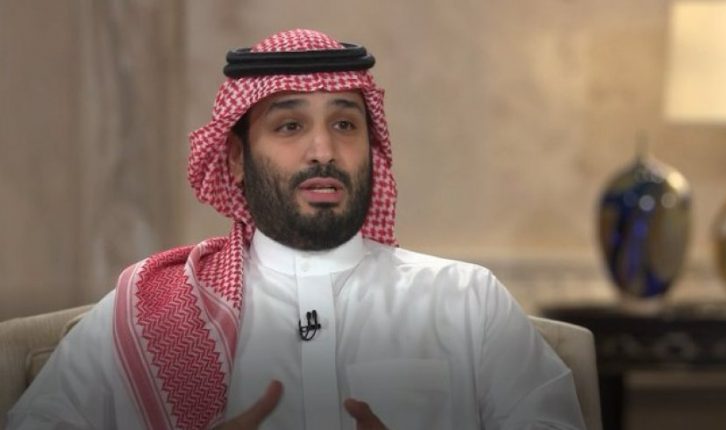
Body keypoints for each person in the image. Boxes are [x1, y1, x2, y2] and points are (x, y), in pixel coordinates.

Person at [7, 29, 586, 430]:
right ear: (236, 158)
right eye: (289, 126)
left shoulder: (465, 301)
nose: (323, 150)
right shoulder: (152, 307)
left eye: (345, 124)